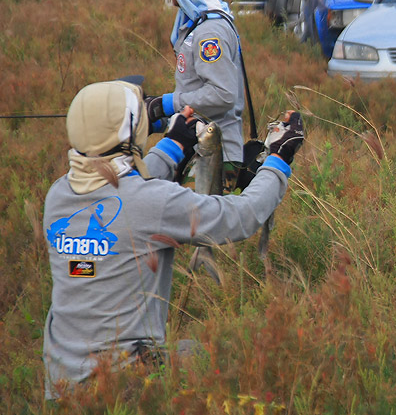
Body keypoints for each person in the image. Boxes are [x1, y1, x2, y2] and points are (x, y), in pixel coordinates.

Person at [42, 78, 305, 399]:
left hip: (60, 386)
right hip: (122, 385)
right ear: (129, 134)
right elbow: (242, 215)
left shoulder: (57, 196)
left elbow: (124, 188)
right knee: (226, 356)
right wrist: (278, 158)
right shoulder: (152, 202)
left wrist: (174, 144)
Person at [144, 0, 246, 191]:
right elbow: (195, 90)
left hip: (213, 155)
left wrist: (167, 103)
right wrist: (157, 118)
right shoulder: (197, 24)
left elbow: (223, 95)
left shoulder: (209, 32)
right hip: (196, 146)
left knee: (201, 228)